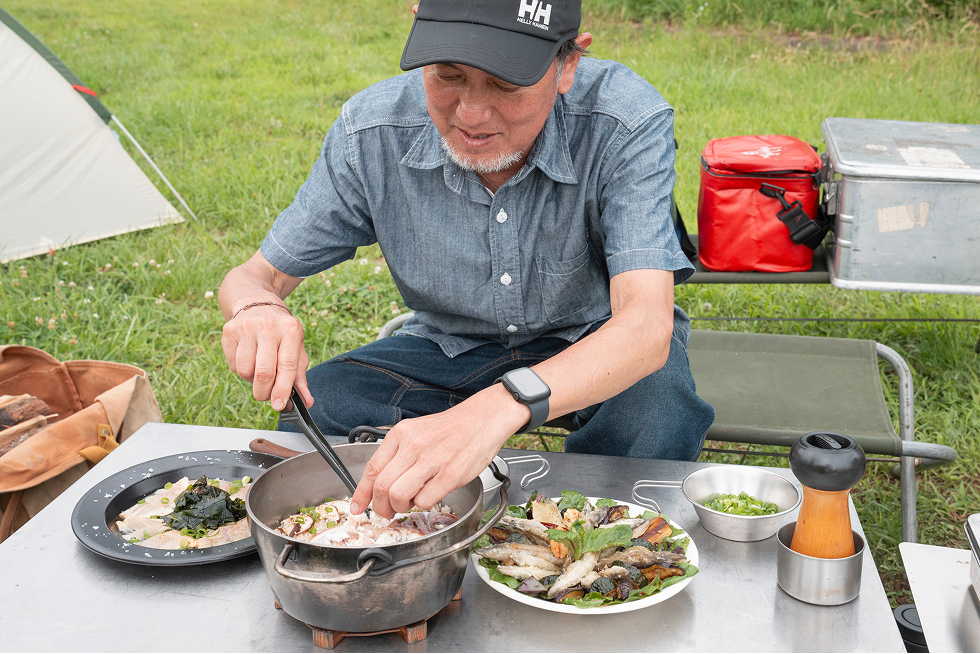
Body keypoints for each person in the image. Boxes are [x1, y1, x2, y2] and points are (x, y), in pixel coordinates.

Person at [218, 0, 714, 519]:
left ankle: (597, 538)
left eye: (506, 84)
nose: (471, 115)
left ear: (568, 65)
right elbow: (255, 276)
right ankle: (380, 533)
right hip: (447, 347)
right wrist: (256, 309)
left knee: (657, 409)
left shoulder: (624, 120)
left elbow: (645, 327)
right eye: (447, 76)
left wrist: (495, 408)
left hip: (592, 337)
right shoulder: (372, 131)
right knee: (320, 405)